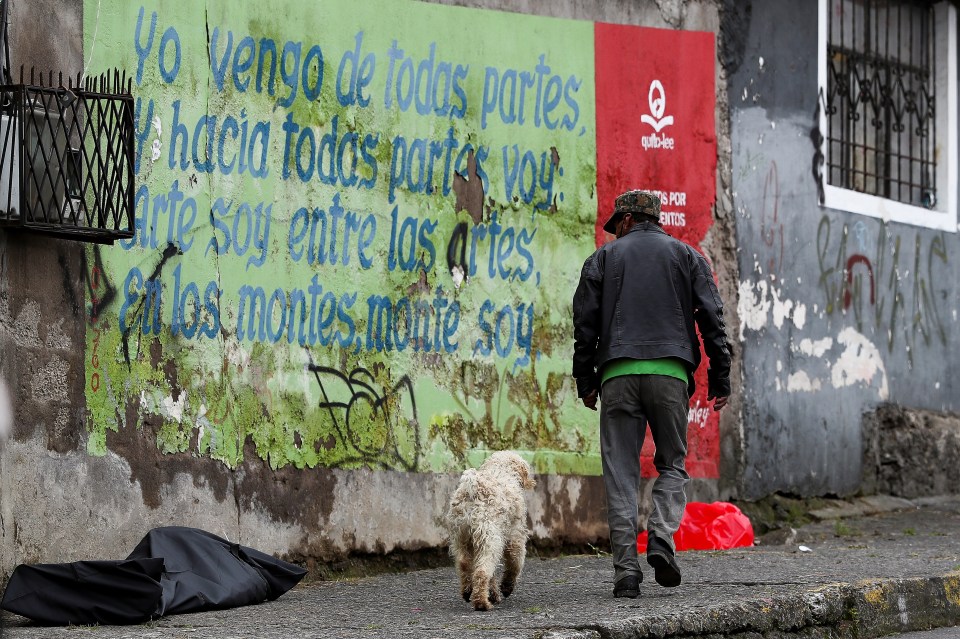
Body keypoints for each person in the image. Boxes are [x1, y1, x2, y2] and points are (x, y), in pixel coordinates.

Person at [572, 190, 731, 598]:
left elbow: (584, 324)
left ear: (626, 220)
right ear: (654, 219)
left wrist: (585, 380)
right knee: (673, 464)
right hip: (670, 373)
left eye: (616, 226)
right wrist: (720, 373)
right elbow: (712, 316)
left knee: (621, 474)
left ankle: (626, 575)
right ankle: (661, 537)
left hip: (618, 374)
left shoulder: (602, 260)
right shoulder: (688, 256)